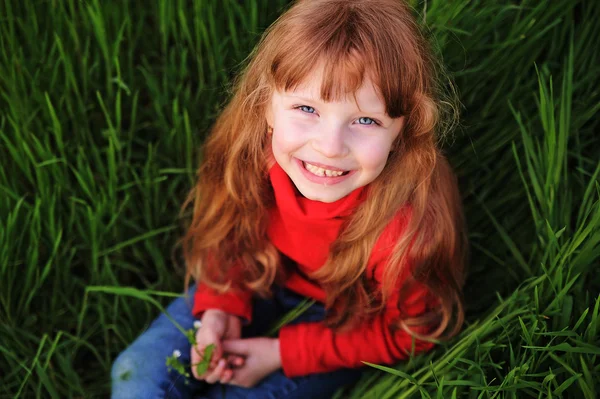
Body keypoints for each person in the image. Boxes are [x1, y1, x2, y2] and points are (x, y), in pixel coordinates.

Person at [111, 0, 468, 397]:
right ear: (266, 105)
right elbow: (230, 235)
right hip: (261, 273)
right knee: (136, 374)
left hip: (346, 319)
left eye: (366, 120)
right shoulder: (253, 157)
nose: (330, 147)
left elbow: (414, 332)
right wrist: (219, 306)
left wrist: (283, 353)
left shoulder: (406, 230)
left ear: (405, 128)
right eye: (306, 108)